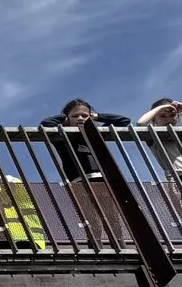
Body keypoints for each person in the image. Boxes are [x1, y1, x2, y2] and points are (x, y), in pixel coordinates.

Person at [43, 99, 132, 248]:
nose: (80, 118)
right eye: (75, 116)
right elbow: (46, 123)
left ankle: (120, 246)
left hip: (103, 179)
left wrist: (96, 116)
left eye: (84, 116)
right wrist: (63, 118)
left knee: (112, 216)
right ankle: (96, 246)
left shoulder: (96, 134)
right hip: (79, 181)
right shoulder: (61, 137)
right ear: (67, 119)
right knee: (91, 217)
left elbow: (124, 121)